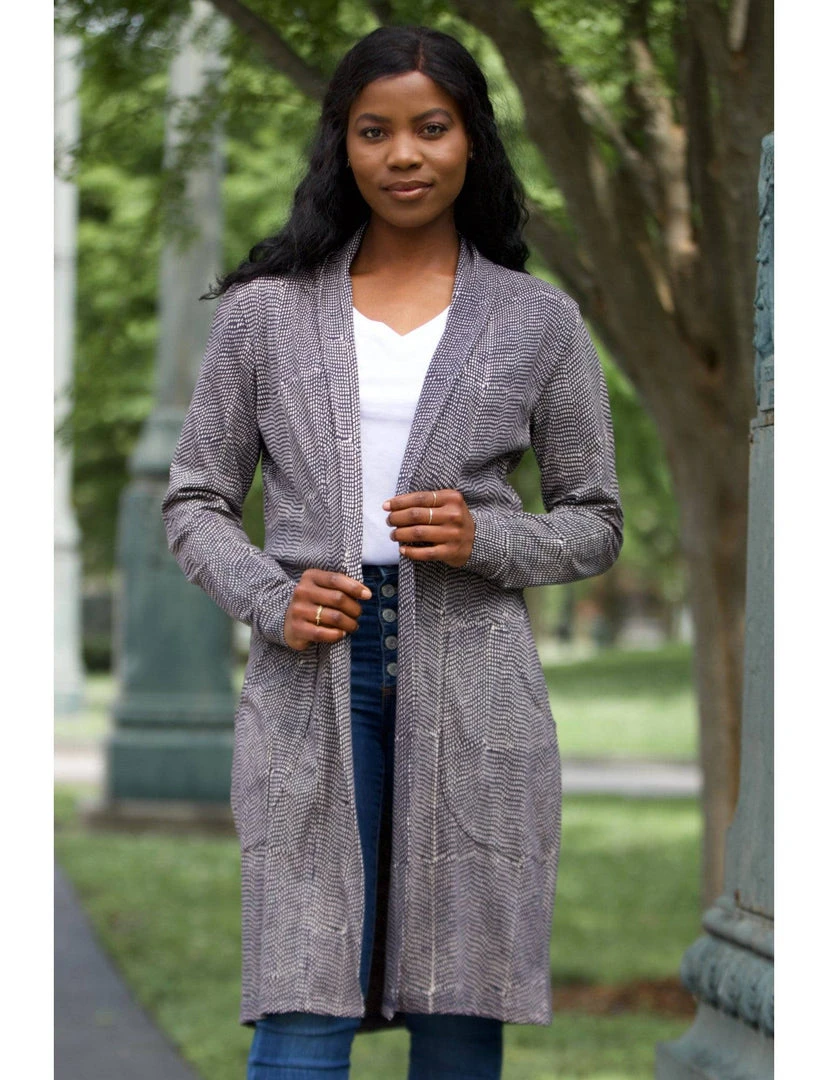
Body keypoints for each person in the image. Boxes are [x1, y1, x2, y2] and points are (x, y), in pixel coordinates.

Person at [161, 23, 623, 1080]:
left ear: (472, 141)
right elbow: (195, 499)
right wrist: (270, 597)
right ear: (343, 144)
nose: (403, 155)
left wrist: (486, 537)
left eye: (431, 128)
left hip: (477, 685)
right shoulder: (265, 315)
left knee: (460, 1004)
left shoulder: (539, 321)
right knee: (302, 996)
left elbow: (596, 518)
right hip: (310, 674)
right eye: (375, 131)